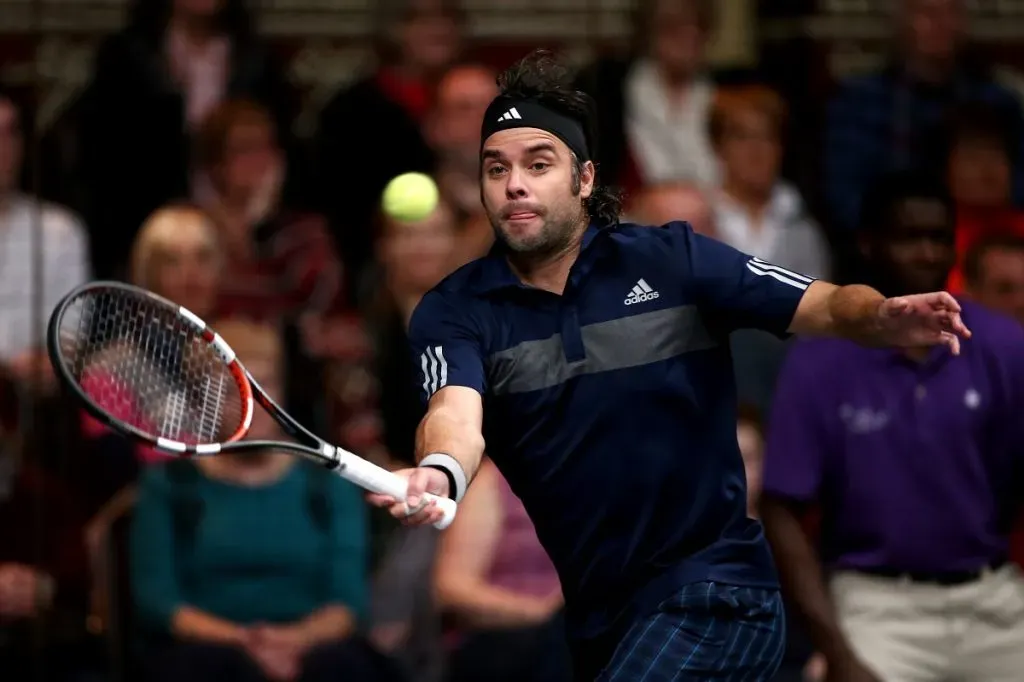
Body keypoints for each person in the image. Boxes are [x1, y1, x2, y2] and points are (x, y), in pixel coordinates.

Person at [367, 51, 971, 681]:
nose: (514, 183)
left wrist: (879, 316)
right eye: (497, 168)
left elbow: (823, 302)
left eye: (538, 164)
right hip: (605, 619)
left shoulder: (671, 259)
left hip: (720, 593)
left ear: (583, 178)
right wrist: (441, 470)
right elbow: (454, 413)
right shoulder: (454, 310)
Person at [760, 173, 1024, 682]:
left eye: (939, 238)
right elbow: (782, 510)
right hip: (877, 603)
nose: (926, 254)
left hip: (991, 597)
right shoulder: (820, 360)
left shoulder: (1003, 345)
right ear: (869, 243)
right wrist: (836, 651)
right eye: (908, 237)